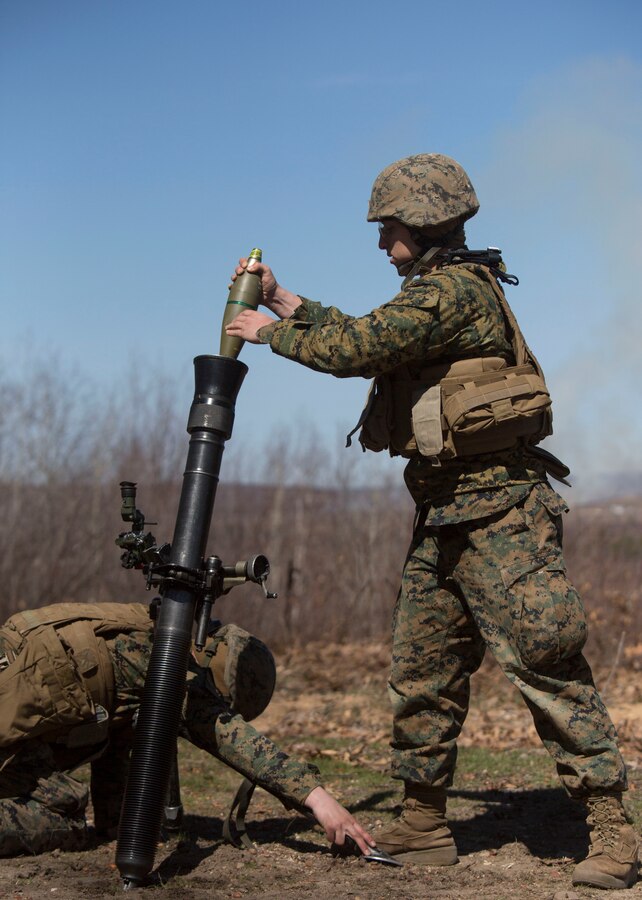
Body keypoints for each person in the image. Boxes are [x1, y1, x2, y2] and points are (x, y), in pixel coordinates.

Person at [225, 153, 639, 891]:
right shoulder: (434, 294)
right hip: (445, 515)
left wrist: (265, 331)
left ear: (423, 224)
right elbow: (368, 333)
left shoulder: (454, 292)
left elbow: (359, 347)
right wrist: (287, 298)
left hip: (503, 514)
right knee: (423, 673)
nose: (382, 245)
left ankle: (611, 829)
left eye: (389, 230)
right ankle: (424, 823)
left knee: (547, 667)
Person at [0, 601, 374, 858]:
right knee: (66, 817)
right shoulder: (173, 664)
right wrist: (319, 800)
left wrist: (121, 823)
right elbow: (235, 740)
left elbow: (117, 738)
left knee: (71, 797)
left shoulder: (141, 629)